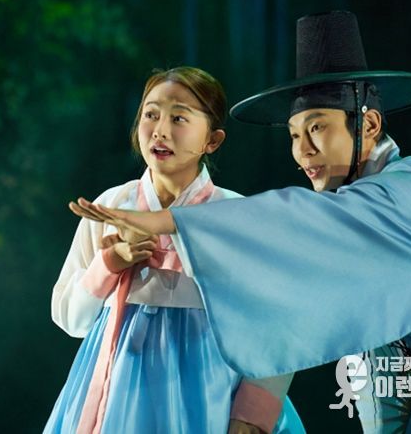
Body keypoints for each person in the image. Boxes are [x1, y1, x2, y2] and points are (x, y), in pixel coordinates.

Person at [70, 11, 411, 433]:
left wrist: (165, 222)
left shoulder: (410, 189)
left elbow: (288, 234)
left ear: (370, 124)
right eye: (294, 135)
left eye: (316, 128)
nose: (302, 152)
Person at [44, 66, 304, 434]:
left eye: (178, 118)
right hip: (117, 393)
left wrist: (251, 415)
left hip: (210, 393)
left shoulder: (238, 217)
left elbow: (277, 328)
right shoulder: (111, 206)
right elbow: (71, 320)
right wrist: (110, 263)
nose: (160, 130)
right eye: (150, 114)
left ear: (213, 140)